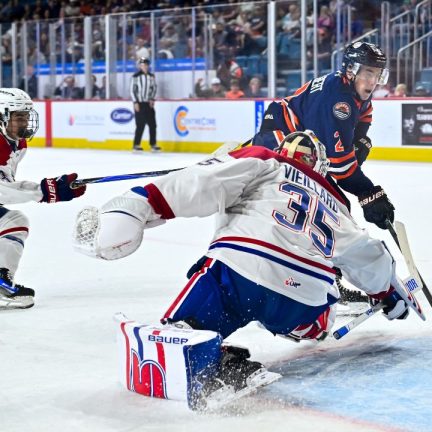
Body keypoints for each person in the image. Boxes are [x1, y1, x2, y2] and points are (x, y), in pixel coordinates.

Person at [72, 131, 413, 407]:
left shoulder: (265, 160)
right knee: (316, 301)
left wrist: (143, 202)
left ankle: (195, 339)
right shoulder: (337, 201)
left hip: (243, 274)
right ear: (320, 166)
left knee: (202, 302)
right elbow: (363, 253)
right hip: (304, 304)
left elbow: (202, 184)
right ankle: (310, 325)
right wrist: (388, 291)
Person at [251, 42, 395, 230]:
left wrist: (355, 142)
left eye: (378, 74)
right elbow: (341, 168)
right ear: (351, 70)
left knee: (335, 204)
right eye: (369, 73)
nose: (373, 81)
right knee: (333, 207)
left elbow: (364, 115)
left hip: (302, 141)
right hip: (280, 140)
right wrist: (368, 193)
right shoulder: (338, 102)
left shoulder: (352, 91)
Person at [0, 88, 86, 310]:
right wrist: (44, 191)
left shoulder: (16, 143)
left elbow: (5, 185)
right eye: (19, 117)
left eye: (27, 116)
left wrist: (49, 188)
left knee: (13, 222)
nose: (25, 122)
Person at [131, 57, 159, 152]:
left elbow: (154, 88)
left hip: (148, 103)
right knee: (140, 124)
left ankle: (153, 144)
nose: (145, 67)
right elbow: (132, 90)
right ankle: (136, 144)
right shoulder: (136, 76)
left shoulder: (151, 76)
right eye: (143, 65)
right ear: (140, 66)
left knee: (153, 124)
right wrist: (135, 102)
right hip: (139, 103)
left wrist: (152, 99)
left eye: (146, 65)